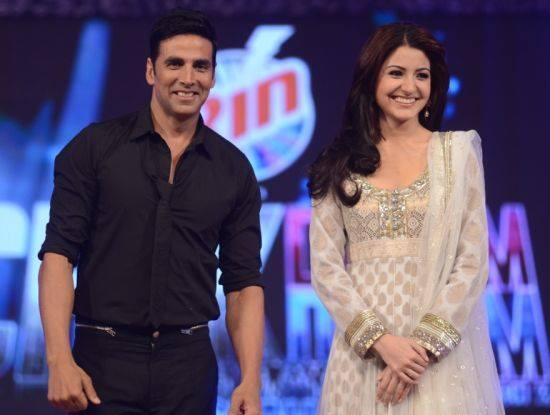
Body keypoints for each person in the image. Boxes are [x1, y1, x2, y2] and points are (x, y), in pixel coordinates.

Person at [38, 9, 264, 415]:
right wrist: (58, 359)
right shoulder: (93, 148)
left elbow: (243, 283)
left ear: (214, 76)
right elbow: (58, 255)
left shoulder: (234, 169)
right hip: (102, 363)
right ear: (150, 71)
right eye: (174, 64)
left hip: (189, 368)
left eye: (200, 66)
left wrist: (250, 378)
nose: (188, 78)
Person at [308, 22, 504, 414]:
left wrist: (419, 350)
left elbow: (472, 262)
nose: (409, 87)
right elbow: (326, 268)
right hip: (361, 361)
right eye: (396, 73)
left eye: (422, 76)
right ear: (371, 79)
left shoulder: (456, 155)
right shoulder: (339, 163)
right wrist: (382, 343)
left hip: (436, 363)